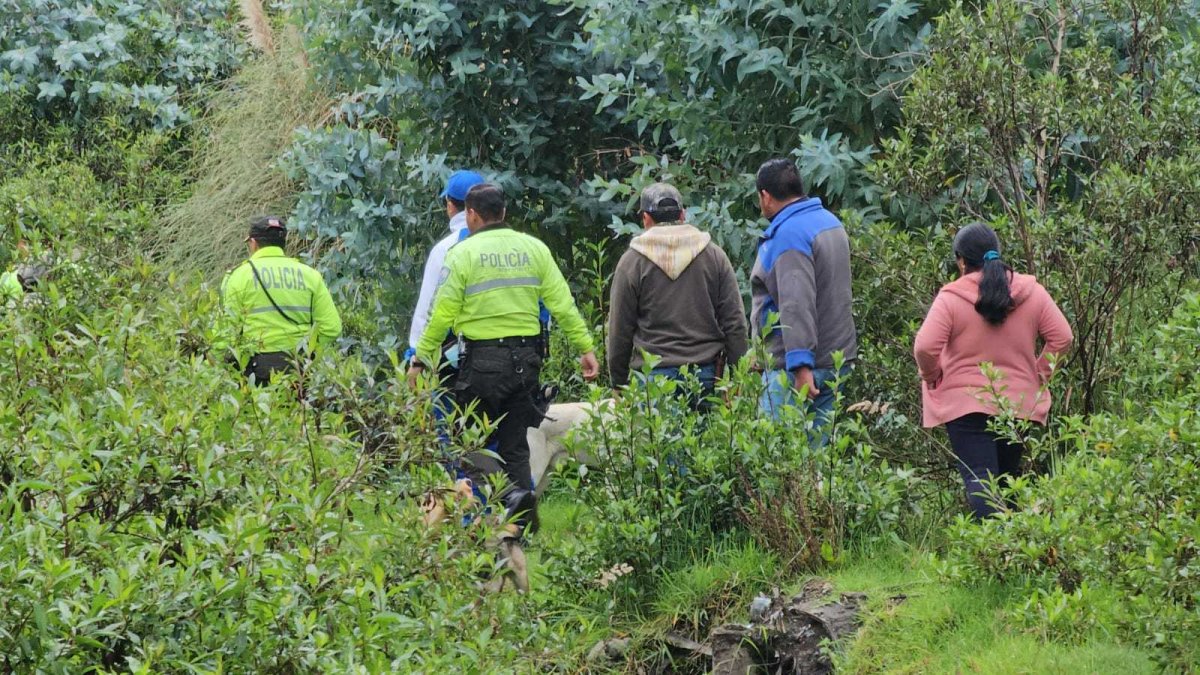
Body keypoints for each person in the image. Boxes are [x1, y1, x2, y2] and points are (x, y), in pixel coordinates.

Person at [407, 183, 599, 535]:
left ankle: (491, 517)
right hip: (527, 363)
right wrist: (585, 348)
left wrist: (420, 360)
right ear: (505, 213)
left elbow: (442, 314)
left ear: (471, 215)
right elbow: (561, 303)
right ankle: (520, 509)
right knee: (514, 446)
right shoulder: (534, 249)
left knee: (472, 445)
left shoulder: (461, 255)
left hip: (482, 364)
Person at [913, 222, 1072, 520]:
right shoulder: (1031, 292)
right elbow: (1063, 338)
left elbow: (924, 347)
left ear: (961, 261)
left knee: (981, 483)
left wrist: (931, 375)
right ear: (997, 253)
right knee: (1008, 484)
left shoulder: (951, 298)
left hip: (964, 406)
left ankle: (994, 551)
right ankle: (1011, 554)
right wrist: (1038, 375)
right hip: (1017, 404)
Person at [607, 182, 747, 410]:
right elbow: (735, 322)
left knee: (660, 446)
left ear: (645, 219)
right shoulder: (713, 256)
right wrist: (739, 375)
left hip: (654, 379)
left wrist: (618, 382)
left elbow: (619, 329)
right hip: (706, 376)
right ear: (683, 215)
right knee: (705, 445)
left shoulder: (632, 262)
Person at [750, 159, 857, 426]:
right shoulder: (829, 222)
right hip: (836, 359)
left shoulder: (789, 234)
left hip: (799, 368)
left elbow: (796, 304)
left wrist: (800, 366)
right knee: (820, 458)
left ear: (765, 196)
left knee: (778, 456)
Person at [219, 216, 343, 385]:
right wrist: (309, 353)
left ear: (253, 243)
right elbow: (332, 328)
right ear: (283, 243)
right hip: (301, 369)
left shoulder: (238, 276)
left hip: (257, 372)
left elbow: (225, 335)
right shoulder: (310, 275)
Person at [404, 169, 486, 380]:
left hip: (458, 355)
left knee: (451, 409)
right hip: (514, 353)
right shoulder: (514, 244)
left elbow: (429, 309)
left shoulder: (446, 249)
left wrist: (415, 355)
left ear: (450, 205)